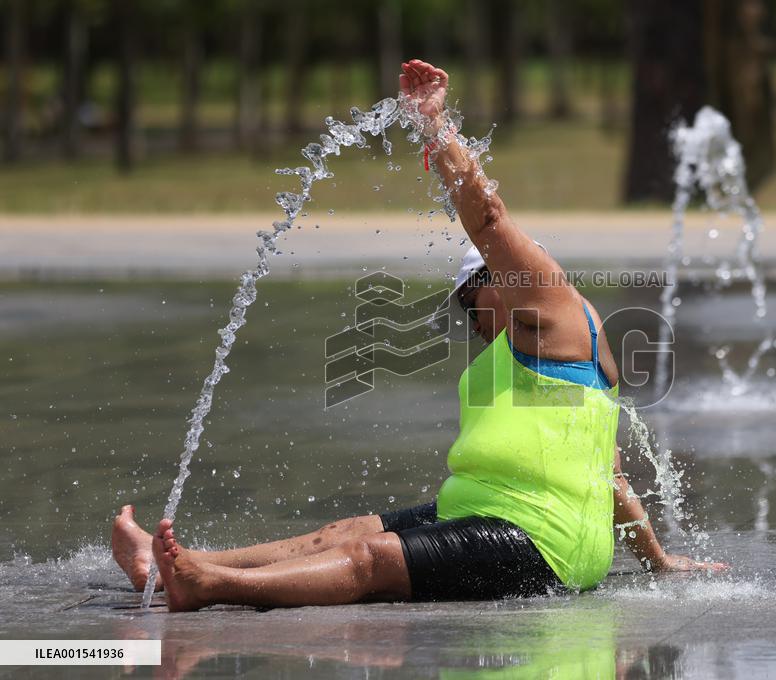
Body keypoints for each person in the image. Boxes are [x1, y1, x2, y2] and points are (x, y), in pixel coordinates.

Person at [111, 59, 725, 612]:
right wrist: (658, 560)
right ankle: (167, 570)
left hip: (543, 542)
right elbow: (609, 473)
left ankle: (208, 585)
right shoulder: (530, 344)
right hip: (495, 513)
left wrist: (436, 127)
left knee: (370, 562)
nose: (471, 322)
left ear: (495, 279)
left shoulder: (547, 300)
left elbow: (488, 216)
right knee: (345, 534)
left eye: (468, 303)